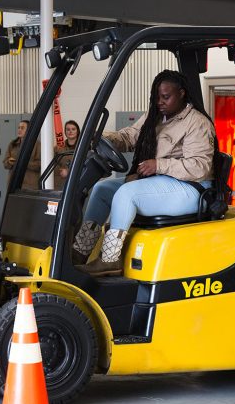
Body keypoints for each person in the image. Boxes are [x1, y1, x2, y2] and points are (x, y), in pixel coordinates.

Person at [73, 69, 215, 276]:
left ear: (182, 93)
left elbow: (198, 166)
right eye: (157, 97)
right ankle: (80, 251)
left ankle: (110, 259)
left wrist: (158, 165)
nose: (160, 102)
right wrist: (103, 138)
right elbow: (131, 136)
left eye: (166, 97)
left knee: (127, 193)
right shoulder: (155, 116)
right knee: (103, 189)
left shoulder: (197, 123)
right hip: (162, 181)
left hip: (192, 188)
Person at [3, 119, 41, 189]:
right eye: (19, 127)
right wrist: (9, 162)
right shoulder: (12, 144)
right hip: (13, 184)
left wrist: (22, 162)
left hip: (30, 186)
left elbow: (39, 165)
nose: (19, 130)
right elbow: (5, 164)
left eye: (22, 128)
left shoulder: (37, 145)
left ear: (29, 130)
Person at [54, 120, 81, 189]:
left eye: (73, 129)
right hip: (60, 184)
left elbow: (85, 165)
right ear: (65, 131)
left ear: (77, 131)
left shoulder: (83, 148)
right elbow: (52, 165)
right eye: (68, 129)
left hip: (77, 184)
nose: (70, 131)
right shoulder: (58, 148)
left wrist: (68, 172)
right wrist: (61, 170)